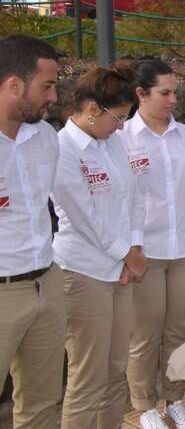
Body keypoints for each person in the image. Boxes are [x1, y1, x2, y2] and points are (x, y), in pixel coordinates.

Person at [119, 59, 185, 429]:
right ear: (141, 93)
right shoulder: (122, 139)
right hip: (145, 252)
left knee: (180, 330)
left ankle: (175, 398)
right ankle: (144, 405)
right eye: (164, 93)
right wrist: (129, 249)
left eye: (175, 92)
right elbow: (119, 199)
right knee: (144, 335)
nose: (173, 100)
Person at [52, 66, 145, 428]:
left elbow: (134, 198)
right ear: (92, 109)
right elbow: (83, 216)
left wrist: (134, 247)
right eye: (118, 118)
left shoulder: (112, 143)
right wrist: (127, 254)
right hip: (83, 271)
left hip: (121, 269)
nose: (120, 127)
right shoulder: (63, 148)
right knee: (87, 376)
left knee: (115, 369)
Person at [0, 34, 62, 429]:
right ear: (14, 85)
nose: (54, 97)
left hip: (46, 283)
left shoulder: (46, 137)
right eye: (47, 85)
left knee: (42, 405)